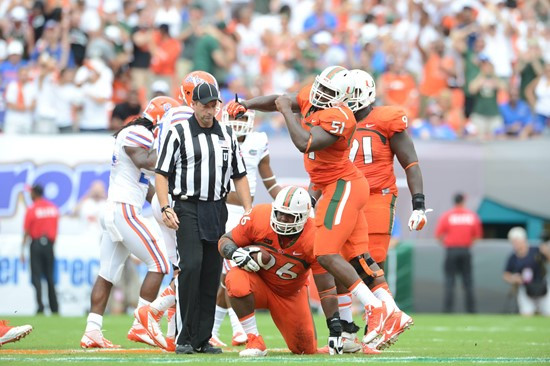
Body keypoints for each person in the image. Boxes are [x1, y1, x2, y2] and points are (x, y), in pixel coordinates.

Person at [226, 65, 396, 352]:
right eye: (321, 88)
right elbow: (281, 98)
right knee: (344, 254)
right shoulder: (261, 216)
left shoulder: (340, 116)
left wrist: (287, 112)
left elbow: (305, 142)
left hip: (343, 184)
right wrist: (246, 103)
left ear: (341, 98)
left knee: (329, 253)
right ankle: (357, 324)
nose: (320, 95)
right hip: (327, 185)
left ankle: (376, 307)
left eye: (330, 93)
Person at [155, 82, 252, 354]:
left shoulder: (227, 136)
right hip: (187, 206)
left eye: (213, 106)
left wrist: (247, 210)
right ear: (194, 105)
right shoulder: (178, 133)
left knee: (211, 273)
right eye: (205, 105)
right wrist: (165, 207)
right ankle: (183, 336)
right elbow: (162, 174)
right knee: (192, 266)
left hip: (216, 208)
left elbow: (239, 175)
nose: (210, 111)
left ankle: (202, 338)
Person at [336, 69, 421, 349]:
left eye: (347, 95)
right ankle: (355, 329)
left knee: (369, 261)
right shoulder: (338, 121)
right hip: (347, 196)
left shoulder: (386, 119)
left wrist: (419, 203)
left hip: (377, 196)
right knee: (339, 261)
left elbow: (410, 162)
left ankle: (386, 316)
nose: (342, 100)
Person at [80, 97, 175, 349]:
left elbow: (145, 186)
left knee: (107, 274)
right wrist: (172, 147)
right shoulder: (138, 131)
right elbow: (145, 161)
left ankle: (92, 330)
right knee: (160, 263)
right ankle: (141, 324)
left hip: (118, 207)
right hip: (124, 210)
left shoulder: (141, 133)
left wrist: (166, 206)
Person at [135, 71, 218, 353]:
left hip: (166, 198)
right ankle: (153, 312)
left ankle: (174, 332)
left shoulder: (173, 115)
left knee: (182, 266)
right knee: (191, 268)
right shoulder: (187, 118)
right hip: (180, 199)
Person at [218, 186, 342, 356]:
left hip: (290, 294)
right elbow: (225, 240)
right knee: (235, 277)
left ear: (304, 217)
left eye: (290, 216)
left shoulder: (314, 236)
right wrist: (235, 252)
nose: (283, 219)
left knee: (305, 349)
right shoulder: (259, 216)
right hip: (258, 285)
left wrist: (334, 327)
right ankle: (254, 340)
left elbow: (327, 288)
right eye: (279, 213)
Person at [210, 103, 282, 348]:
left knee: (228, 273)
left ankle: (213, 329)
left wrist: (286, 202)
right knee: (233, 268)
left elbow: (269, 180)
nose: (238, 123)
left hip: (246, 212)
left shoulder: (258, 140)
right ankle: (240, 327)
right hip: (223, 209)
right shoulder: (216, 137)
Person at [435, 193, 482, 313]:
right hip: (465, 250)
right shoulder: (472, 216)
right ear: (464, 201)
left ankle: (447, 311)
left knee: (450, 281)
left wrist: (447, 243)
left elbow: (438, 236)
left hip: (451, 251)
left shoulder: (447, 216)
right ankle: (471, 311)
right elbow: (477, 236)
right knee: (468, 282)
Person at [22, 184, 60, 315]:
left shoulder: (32, 209)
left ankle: (40, 307)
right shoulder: (52, 208)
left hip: (36, 244)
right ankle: (54, 307)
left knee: (36, 276)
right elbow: (55, 227)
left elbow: (26, 231)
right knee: (50, 277)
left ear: (34, 193)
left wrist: (22, 249)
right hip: (49, 244)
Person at [503, 227, 550, 316]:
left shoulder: (536, 250)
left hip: (542, 287)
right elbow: (506, 275)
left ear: (523, 240)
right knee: (526, 313)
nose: (515, 244)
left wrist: (546, 251)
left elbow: (548, 259)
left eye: (516, 241)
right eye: (513, 241)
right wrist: (514, 279)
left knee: (548, 312)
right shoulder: (513, 257)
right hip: (525, 289)